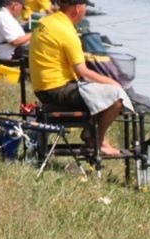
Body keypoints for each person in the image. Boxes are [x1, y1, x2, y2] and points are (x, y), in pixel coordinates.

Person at [28, 0, 130, 157]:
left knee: (100, 91)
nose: (85, 9)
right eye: (85, 6)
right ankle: (96, 141)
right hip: (55, 90)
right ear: (77, 8)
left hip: (42, 87)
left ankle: (91, 132)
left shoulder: (47, 21)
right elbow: (83, 72)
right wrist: (115, 84)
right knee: (117, 99)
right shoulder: (66, 32)